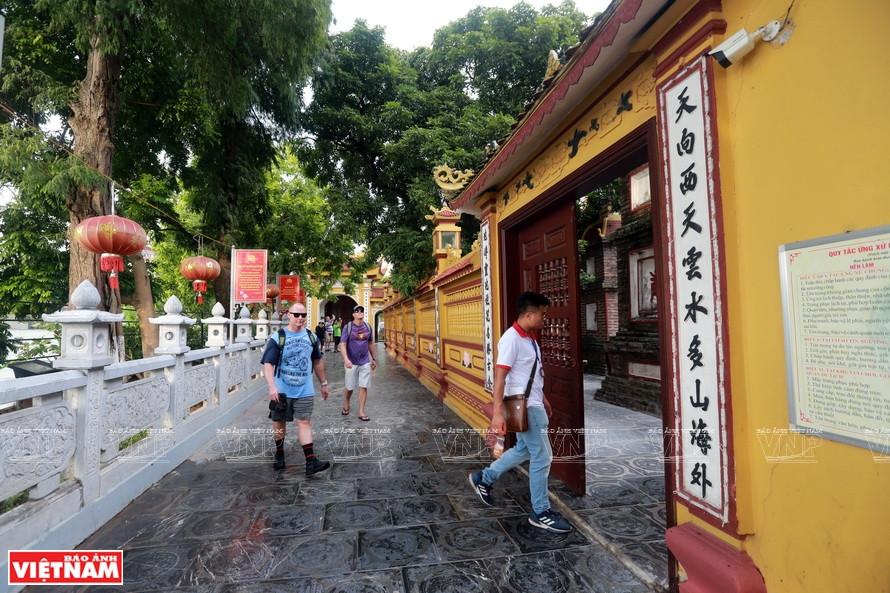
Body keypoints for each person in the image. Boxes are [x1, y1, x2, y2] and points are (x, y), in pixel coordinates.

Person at [468, 291, 572, 533]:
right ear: (529, 314)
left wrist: (544, 397)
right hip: (524, 407)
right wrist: (497, 414)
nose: (545, 319)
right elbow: (501, 377)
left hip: (533, 403)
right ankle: (540, 511)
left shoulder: (530, 339)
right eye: (542, 315)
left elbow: (529, 374)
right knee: (543, 457)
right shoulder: (511, 339)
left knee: (524, 449)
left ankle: (484, 478)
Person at [261, 302, 331, 475]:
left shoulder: (311, 336)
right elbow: (268, 364)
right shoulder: (278, 337)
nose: (300, 318)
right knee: (280, 422)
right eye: (296, 315)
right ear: (289, 315)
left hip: (304, 389)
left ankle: (310, 462)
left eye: (303, 315)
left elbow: (317, 361)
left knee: (304, 422)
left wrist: (323, 384)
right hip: (282, 391)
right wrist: (272, 387)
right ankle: (279, 454)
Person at [339, 305, 377, 421]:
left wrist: (374, 358)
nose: (360, 313)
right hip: (351, 362)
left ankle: (361, 411)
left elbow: (370, 343)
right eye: (357, 311)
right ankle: (347, 401)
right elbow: (343, 344)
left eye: (362, 311)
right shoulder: (348, 327)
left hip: (365, 361)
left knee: (363, 386)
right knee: (349, 387)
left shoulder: (367, 327)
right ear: (353, 314)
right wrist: (346, 359)